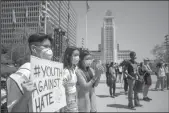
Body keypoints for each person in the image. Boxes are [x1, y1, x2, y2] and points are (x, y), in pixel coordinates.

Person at [7, 33, 53, 112]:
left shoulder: (50, 73)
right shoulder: (20, 76)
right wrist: (26, 96)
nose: (50, 50)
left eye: (50, 47)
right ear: (33, 49)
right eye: (46, 46)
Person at [62, 46, 80, 112]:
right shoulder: (66, 71)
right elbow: (61, 86)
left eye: (78, 55)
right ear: (68, 56)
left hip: (74, 97)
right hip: (69, 100)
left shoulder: (74, 69)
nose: (77, 57)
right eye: (75, 55)